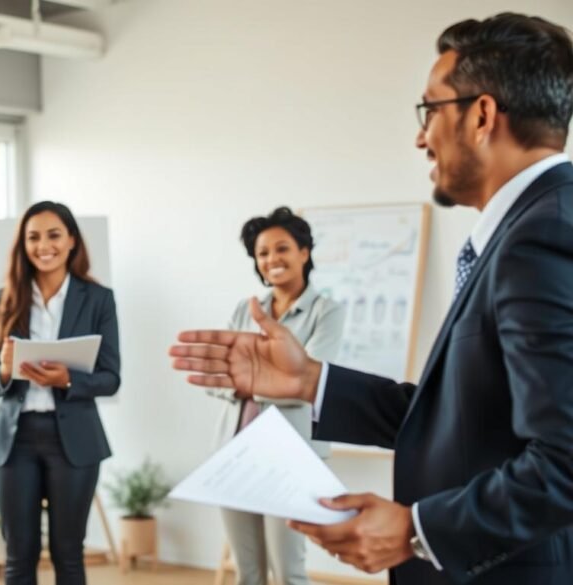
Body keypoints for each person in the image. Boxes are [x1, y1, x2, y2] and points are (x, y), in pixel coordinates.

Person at [171, 13, 573, 585]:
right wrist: (310, 382)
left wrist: (417, 529)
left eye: (430, 110)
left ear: (482, 115)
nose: (419, 136)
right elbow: (461, 417)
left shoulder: (542, 236)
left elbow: (565, 458)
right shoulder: (530, 228)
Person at [0, 201, 120, 585]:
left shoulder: (98, 299)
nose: (44, 245)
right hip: (16, 440)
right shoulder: (2, 299)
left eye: (54, 235)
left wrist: (67, 380)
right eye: (33, 237)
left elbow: (111, 377)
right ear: (23, 245)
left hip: (73, 438)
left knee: (68, 553)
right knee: (19, 556)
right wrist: (5, 370)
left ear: (71, 240)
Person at [210, 207, 344, 585]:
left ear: (304, 252)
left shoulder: (326, 312)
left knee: (288, 573)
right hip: (234, 453)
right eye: (263, 253)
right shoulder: (245, 309)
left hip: (292, 454)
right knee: (247, 573)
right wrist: (256, 379)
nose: (272, 259)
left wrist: (248, 379)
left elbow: (310, 381)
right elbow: (216, 377)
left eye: (282, 248)